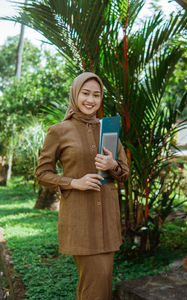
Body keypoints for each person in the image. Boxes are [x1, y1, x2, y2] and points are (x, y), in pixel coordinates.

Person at [36, 72, 130, 300]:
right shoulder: (59, 131)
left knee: (99, 286)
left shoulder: (108, 128)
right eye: (85, 93)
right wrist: (73, 182)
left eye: (96, 95)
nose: (91, 100)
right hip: (81, 221)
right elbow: (42, 173)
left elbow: (124, 174)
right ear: (75, 94)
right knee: (94, 287)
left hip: (108, 220)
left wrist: (112, 164)